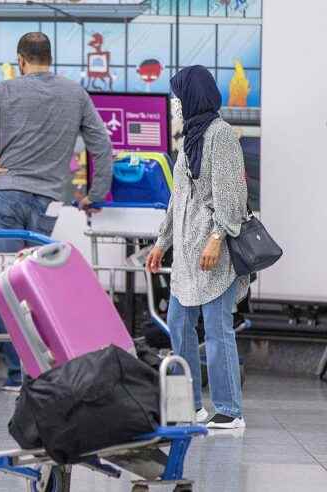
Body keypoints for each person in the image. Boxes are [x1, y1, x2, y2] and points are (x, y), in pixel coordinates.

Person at [0, 32, 114, 391]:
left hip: (7, 194)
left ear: (21, 60)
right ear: (50, 57)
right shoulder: (75, 94)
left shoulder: (7, 90)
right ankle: (18, 374)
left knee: (5, 283)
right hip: (47, 202)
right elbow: (102, 146)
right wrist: (96, 193)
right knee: (26, 288)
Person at [147, 66, 249, 430]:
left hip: (213, 252)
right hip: (188, 254)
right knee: (178, 322)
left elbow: (232, 196)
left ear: (192, 97)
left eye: (178, 97)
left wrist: (218, 237)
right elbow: (178, 198)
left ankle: (229, 409)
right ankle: (190, 406)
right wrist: (161, 242)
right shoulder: (189, 138)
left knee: (217, 327)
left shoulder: (220, 136)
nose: (175, 104)